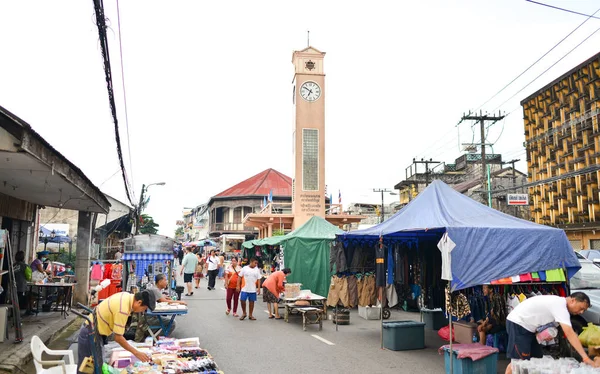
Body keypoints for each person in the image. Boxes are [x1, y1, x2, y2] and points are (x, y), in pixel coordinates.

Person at [505, 292, 598, 373]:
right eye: (581, 308)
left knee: (536, 360)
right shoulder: (560, 305)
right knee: (519, 362)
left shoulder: (560, 306)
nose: (581, 312)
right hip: (518, 324)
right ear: (573, 300)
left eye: (584, 310)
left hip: (530, 328)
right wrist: (585, 357)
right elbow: (570, 333)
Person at [77, 291, 156, 373]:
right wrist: (136, 353)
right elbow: (118, 337)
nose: (142, 311)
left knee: (98, 367)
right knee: (87, 369)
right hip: (90, 333)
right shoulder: (123, 309)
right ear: (139, 302)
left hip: (96, 332)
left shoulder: (127, 296)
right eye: (144, 309)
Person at [135, 274, 187, 342]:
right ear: (159, 282)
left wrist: (164, 297)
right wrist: (180, 302)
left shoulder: (155, 289)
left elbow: (161, 298)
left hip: (147, 316)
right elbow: (163, 301)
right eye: (165, 280)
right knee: (172, 323)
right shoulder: (155, 290)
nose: (167, 282)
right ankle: (157, 340)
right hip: (150, 318)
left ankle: (156, 337)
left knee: (169, 322)